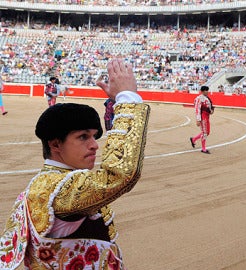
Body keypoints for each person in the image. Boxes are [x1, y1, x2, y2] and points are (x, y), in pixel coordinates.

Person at [0, 58, 150, 269]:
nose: (94, 145)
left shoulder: (47, 183)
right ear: (55, 144)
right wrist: (128, 99)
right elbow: (119, 174)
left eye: (94, 137)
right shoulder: (59, 190)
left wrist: (116, 101)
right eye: (83, 137)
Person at [189, 85, 214, 154]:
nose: (207, 92)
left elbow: (210, 107)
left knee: (207, 132)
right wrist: (198, 119)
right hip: (203, 117)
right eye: (206, 90)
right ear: (202, 91)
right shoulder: (199, 98)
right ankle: (203, 149)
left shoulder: (207, 98)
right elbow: (197, 109)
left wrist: (211, 111)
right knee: (205, 132)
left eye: (207, 90)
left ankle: (193, 139)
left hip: (207, 116)